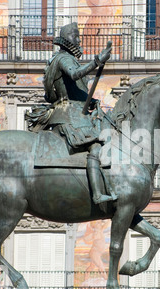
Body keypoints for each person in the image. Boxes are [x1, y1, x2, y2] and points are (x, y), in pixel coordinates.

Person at [43, 22, 116, 205]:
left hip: (75, 111)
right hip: (69, 114)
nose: (79, 40)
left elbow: (76, 90)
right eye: (76, 36)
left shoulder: (64, 58)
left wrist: (90, 101)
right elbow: (75, 75)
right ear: (67, 39)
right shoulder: (63, 58)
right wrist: (97, 61)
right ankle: (97, 194)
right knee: (96, 147)